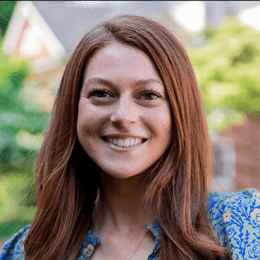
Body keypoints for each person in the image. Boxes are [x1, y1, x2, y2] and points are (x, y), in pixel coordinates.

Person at [1, 14, 260, 260]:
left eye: (148, 95)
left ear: (180, 112)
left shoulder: (241, 224)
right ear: (73, 108)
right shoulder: (28, 250)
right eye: (102, 93)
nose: (123, 116)